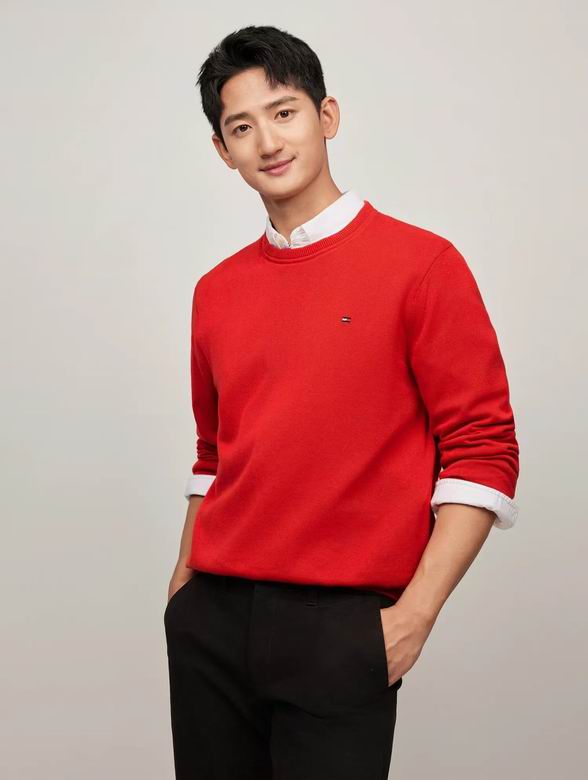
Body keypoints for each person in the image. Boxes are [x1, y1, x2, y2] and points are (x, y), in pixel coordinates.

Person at [163, 24, 520, 780]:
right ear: (222, 150)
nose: (268, 141)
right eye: (242, 127)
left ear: (327, 116)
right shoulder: (216, 291)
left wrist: (413, 616)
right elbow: (213, 452)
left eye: (284, 112)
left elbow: (483, 452)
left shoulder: (424, 265)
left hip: (341, 627)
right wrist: (184, 583)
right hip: (214, 620)